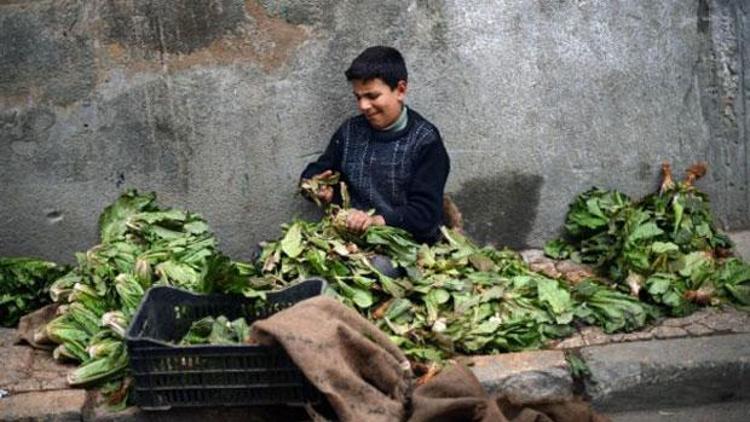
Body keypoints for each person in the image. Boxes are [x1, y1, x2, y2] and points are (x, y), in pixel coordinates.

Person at [300, 46, 450, 244]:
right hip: (350, 240)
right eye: (358, 97)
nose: (363, 106)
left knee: (380, 266)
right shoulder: (350, 131)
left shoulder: (425, 140)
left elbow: (425, 213)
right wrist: (316, 188)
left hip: (405, 245)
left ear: (400, 90)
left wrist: (374, 221)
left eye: (372, 96)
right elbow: (317, 172)